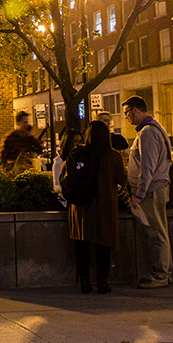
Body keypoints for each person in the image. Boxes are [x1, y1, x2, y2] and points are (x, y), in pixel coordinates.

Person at [68, 121, 128, 295]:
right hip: (104, 205)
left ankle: (84, 282)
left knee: (82, 245)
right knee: (104, 245)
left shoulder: (77, 153)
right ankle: (102, 282)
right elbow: (122, 181)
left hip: (81, 207)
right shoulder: (113, 156)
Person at [123, 95, 173, 289]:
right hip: (156, 189)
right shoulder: (153, 129)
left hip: (152, 191)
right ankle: (164, 273)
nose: (126, 117)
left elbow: (147, 168)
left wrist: (139, 195)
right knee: (160, 232)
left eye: (127, 112)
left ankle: (159, 276)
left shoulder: (147, 133)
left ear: (136, 110)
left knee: (155, 234)